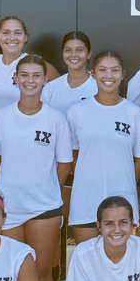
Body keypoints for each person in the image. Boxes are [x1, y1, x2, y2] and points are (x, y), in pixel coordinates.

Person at [0, 55, 73, 281]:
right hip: (9, 209)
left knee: (40, 274)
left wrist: (44, 187)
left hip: (44, 209)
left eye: (36, 75)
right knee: (11, 275)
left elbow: (64, 164)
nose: (30, 80)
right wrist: (12, 187)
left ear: (44, 80)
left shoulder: (55, 120)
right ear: (15, 78)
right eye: (24, 75)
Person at [67, 51, 140, 245]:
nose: (108, 76)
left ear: (123, 74)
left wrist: (125, 184)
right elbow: (73, 155)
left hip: (122, 200)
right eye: (102, 70)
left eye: (114, 70)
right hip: (85, 199)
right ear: (93, 74)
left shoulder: (134, 113)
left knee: (121, 267)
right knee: (88, 264)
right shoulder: (76, 112)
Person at [0, 16, 58, 186]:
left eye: (18, 33)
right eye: (6, 33)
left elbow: (57, 90)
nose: (12, 38)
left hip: (26, 148)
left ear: (26, 37)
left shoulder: (35, 64)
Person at [42, 31, 97, 230]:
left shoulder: (98, 86)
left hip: (89, 164)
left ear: (89, 53)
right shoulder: (51, 88)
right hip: (58, 165)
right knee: (56, 224)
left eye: (80, 50)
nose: (74, 55)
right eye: (68, 50)